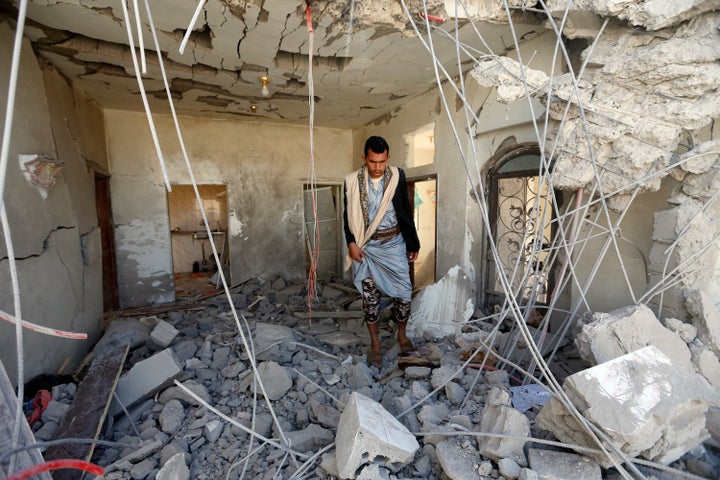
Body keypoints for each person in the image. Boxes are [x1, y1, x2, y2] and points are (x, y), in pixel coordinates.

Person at [343, 136, 420, 367]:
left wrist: (412, 242)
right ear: (364, 158)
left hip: (394, 244)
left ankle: (401, 334)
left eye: (382, 161)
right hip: (366, 247)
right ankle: (375, 343)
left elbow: (405, 209)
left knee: (404, 292)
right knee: (370, 298)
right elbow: (347, 215)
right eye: (373, 162)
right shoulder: (351, 181)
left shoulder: (397, 175)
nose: (377, 167)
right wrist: (351, 243)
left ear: (388, 158)